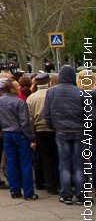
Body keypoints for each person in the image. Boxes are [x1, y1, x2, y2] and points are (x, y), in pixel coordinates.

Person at [0, 79, 38, 200]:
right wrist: (31, 138)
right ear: (12, 89)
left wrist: (1, 125)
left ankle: (14, 190)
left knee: (11, 163)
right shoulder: (19, 102)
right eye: (16, 87)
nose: (19, 88)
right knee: (25, 164)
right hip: (19, 134)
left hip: (7, 133)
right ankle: (28, 192)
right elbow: (25, 123)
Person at [43, 65, 87, 205]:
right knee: (80, 164)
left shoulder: (51, 92)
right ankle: (81, 195)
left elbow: (47, 114)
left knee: (64, 163)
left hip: (61, 131)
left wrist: (54, 126)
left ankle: (66, 194)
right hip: (79, 131)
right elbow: (90, 114)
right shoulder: (81, 92)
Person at [27, 72, 59, 195]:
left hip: (40, 130)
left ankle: (47, 184)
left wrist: (32, 133)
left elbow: (29, 118)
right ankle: (57, 183)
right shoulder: (53, 94)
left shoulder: (32, 97)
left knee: (43, 158)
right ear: (48, 82)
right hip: (54, 129)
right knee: (56, 157)